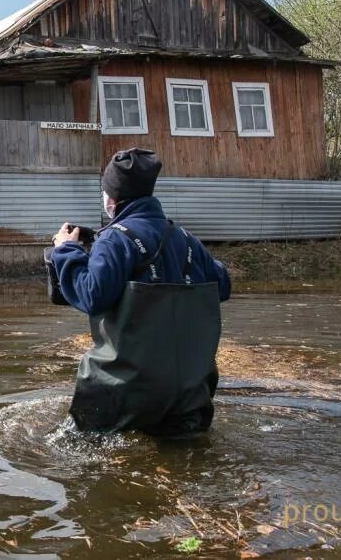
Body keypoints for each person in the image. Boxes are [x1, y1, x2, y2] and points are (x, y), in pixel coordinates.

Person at [50, 147, 231, 435]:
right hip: (189, 395)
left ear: (112, 198)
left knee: (74, 457)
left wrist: (67, 250)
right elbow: (223, 285)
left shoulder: (113, 241)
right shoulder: (187, 239)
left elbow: (91, 295)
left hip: (126, 393)